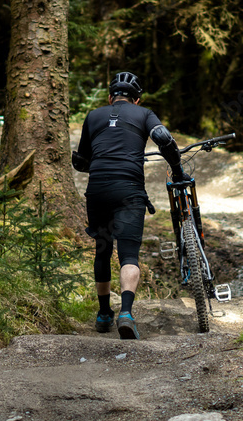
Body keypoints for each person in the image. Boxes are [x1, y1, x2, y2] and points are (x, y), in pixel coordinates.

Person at [71, 71, 186, 340]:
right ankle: (125, 313)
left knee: (102, 249)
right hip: (129, 190)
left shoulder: (93, 116)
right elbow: (164, 139)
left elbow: (80, 161)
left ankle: (103, 315)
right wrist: (177, 169)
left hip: (97, 190)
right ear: (136, 100)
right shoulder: (145, 114)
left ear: (111, 97)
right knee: (129, 255)